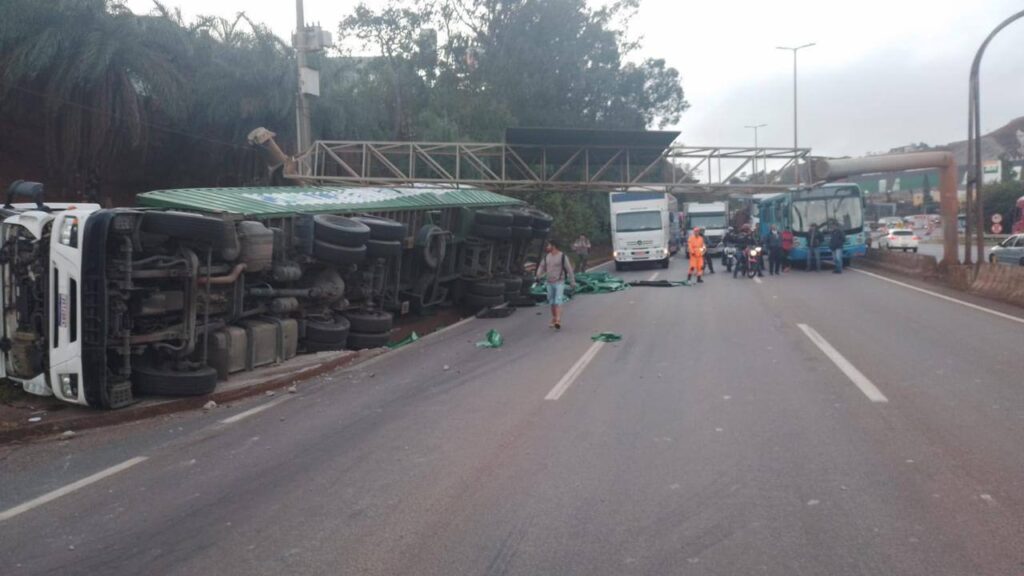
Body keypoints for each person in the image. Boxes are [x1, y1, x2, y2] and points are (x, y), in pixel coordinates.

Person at [536, 240, 576, 329]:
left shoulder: (562, 256)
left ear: (553, 246)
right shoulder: (547, 257)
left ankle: (558, 320)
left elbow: (569, 270)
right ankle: (554, 318)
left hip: (559, 282)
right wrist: (538, 275)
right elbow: (541, 266)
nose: (547, 247)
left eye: (549, 245)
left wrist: (572, 281)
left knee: (558, 301)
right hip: (549, 282)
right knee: (552, 302)